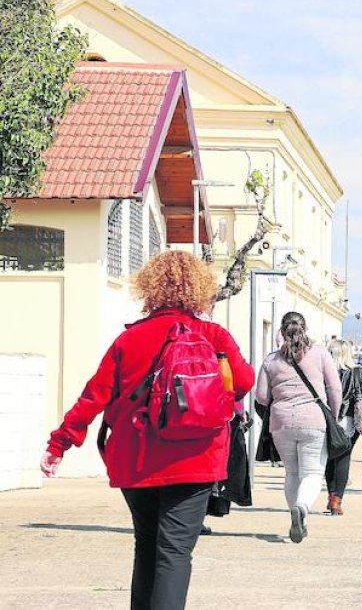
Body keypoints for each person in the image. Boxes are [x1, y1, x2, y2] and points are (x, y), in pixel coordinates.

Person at [40, 250, 254, 610]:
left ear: (150, 288)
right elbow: (245, 382)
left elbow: (94, 396)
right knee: (174, 553)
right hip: (196, 460)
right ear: (199, 289)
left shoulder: (130, 339)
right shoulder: (213, 335)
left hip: (136, 460)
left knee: (147, 545)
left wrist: (59, 443)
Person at [255, 311, 341, 543]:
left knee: (292, 473)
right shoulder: (321, 353)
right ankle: (302, 508)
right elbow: (334, 388)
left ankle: (297, 514)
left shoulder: (271, 360)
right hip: (313, 419)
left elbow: (262, 396)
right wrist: (334, 413)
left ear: (281, 333)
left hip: (281, 422)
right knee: (312, 472)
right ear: (306, 330)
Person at [323, 339, 362, 515]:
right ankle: (337, 501)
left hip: (327, 419)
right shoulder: (357, 373)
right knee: (344, 458)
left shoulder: (324, 372)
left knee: (328, 457)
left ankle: (330, 496)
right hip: (349, 421)